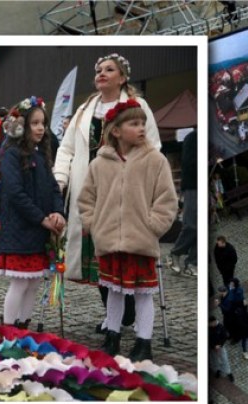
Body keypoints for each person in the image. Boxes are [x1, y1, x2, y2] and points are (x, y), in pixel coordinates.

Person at [55, 54, 161, 332]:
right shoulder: (84, 110)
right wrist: (60, 179)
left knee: (125, 253)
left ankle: (132, 312)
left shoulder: (138, 106)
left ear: (122, 77)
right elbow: (66, 149)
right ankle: (113, 315)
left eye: (109, 70)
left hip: (125, 190)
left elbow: (153, 145)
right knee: (98, 257)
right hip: (90, 192)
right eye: (98, 70)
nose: (101, 73)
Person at [78, 98, 177, 360]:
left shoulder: (155, 160)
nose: (141, 128)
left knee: (143, 294)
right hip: (109, 240)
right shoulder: (99, 164)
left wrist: (153, 226)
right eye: (134, 123)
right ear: (116, 131)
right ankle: (112, 336)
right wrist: (94, 225)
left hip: (141, 240)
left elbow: (166, 200)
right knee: (113, 291)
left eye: (143, 123)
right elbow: (86, 199)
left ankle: (144, 342)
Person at [0, 97, 66, 328]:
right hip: (20, 230)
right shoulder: (12, 154)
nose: (40, 128)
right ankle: (8, 328)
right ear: (22, 125)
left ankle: (23, 325)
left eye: (43, 123)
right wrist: (41, 218)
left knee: (34, 282)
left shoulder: (41, 154)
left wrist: (58, 212)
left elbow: (54, 188)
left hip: (39, 230)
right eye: (35, 123)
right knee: (20, 282)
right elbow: (15, 193)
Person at [169, 128, 198, 275]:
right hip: (193, 186)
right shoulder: (192, 138)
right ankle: (175, 252)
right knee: (191, 225)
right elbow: (189, 163)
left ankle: (192, 262)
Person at [209, 314, 234, 382]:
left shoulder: (220, 327)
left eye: (213, 322)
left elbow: (224, 337)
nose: (213, 324)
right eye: (211, 323)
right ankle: (217, 370)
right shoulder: (208, 328)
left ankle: (228, 372)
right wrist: (213, 346)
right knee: (215, 360)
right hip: (212, 348)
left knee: (224, 359)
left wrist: (219, 345)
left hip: (220, 347)